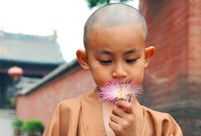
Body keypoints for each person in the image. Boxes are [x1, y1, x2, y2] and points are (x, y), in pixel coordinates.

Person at [43, 3, 183, 136]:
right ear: (85, 60)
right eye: (106, 61)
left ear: (146, 57)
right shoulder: (68, 114)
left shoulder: (164, 126)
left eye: (131, 59)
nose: (120, 72)